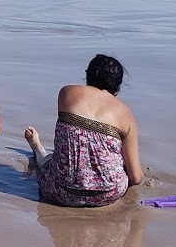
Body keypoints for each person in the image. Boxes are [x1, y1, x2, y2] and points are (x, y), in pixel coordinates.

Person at [23, 54, 146, 208]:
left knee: (49, 160)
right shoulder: (125, 114)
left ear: (87, 74)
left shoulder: (66, 93)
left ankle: (38, 148)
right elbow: (136, 178)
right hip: (106, 196)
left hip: (59, 191)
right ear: (118, 85)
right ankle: (39, 149)